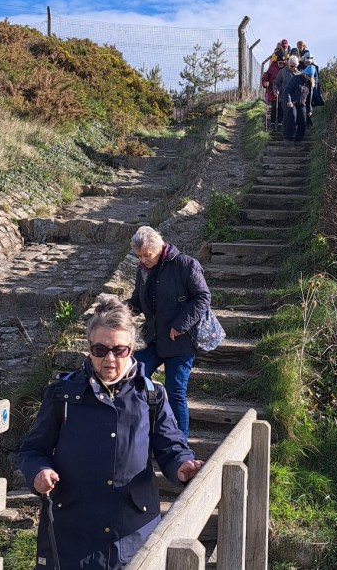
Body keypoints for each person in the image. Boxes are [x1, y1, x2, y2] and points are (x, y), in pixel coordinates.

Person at [17, 297, 204, 570]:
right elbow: (33, 450)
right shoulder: (62, 394)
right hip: (71, 535)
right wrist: (38, 471)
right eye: (100, 349)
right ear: (89, 348)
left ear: (132, 349)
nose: (109, 359)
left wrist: (182, 466)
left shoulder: (152, 396)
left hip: (133, 534)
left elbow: (171, 447)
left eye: (119, 350)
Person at [127, 225, 210, 441]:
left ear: (160, 247)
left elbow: (202, 297)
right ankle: (141, 434)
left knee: (175, 392)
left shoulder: (186, 264)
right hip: (155, 339)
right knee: (132, 377)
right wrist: (118, 311)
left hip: (180, 341)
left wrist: (180, 324)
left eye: (147, 255)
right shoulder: (143, 270)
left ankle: (180, 445)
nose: (143, 260)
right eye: (139, 256)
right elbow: (137, 302)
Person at [280, 67, 314, 144]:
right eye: (308, 75)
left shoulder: (310, 83)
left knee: (303, 121)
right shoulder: (296, 78)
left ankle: (298, 140)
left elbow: (309, 98)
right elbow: (287, 91)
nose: (309, 77)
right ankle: (288, 138)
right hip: (293, 102)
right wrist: (289, 101)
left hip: (302, 104)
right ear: (304, 74)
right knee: (293, 117)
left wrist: (310, 109)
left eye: (310, 76)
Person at [261, 51, 284, 131]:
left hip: (282, 91)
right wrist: (265, 82)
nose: (281, 64)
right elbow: (266, 75)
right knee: (274, 106)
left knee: (281, 107)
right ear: (277, 61)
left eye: (283, 63)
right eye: (280, 63)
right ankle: (272, 123)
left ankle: (280, 123)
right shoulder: (272, 67)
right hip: (272, 90)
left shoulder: (286, 68)